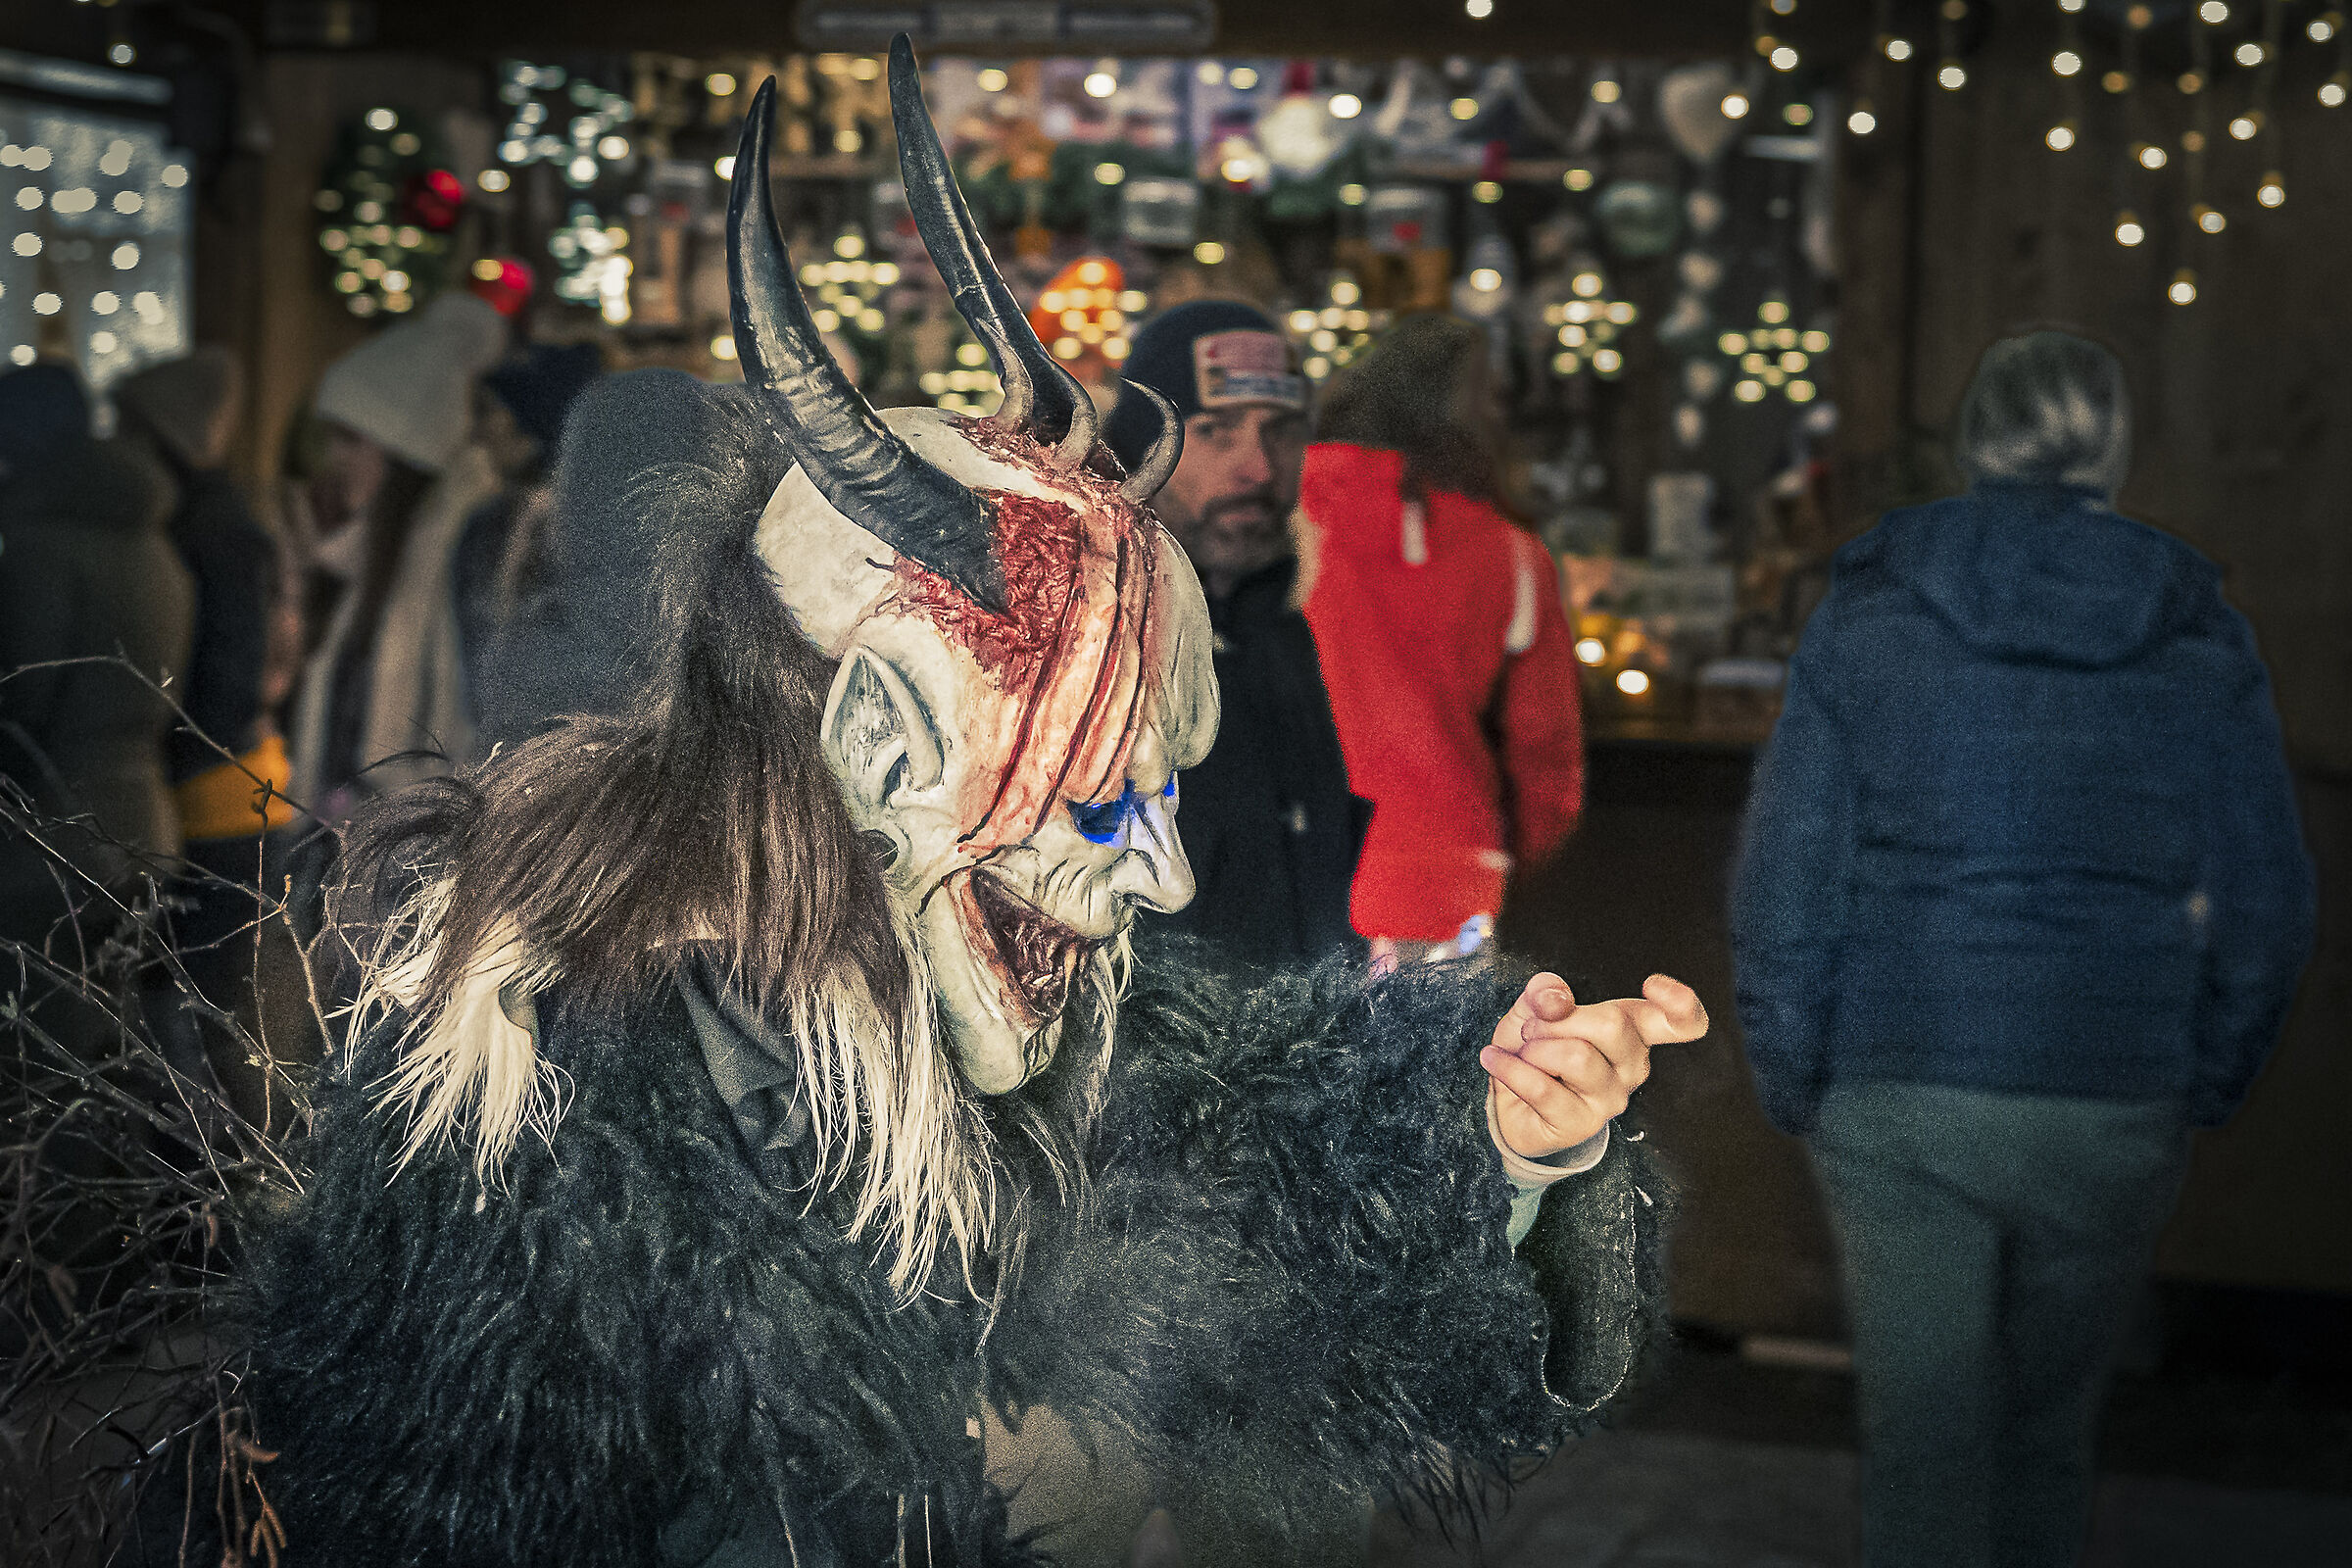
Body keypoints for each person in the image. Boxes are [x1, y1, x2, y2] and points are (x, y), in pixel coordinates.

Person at [108, 52, 1711, 1568]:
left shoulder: (1068, 1026)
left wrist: (1516, 1146)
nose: (1151, 873)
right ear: (876, 743)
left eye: (1151, 794)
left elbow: (1289, 1210)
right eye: (1095, 808)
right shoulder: (538, 1094)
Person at [1730, 330, 2316, 1568]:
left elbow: (1788, 874)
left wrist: (1792, 1068)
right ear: (2110, 442)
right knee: (2052, 1438)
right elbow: (2267, 902)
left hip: (1899, 1078)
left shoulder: (1868, 615)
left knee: (1924, 1444)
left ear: (1972, 435)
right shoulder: (2196, 633)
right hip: (2114, 1082)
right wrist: (2203, 1072)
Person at [1298, 315, 1586, 959]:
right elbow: (1546, 764)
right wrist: (1498, 854)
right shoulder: (1512, 555)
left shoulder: (1285, 520)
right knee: (1436, 1059)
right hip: (1445, 878)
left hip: (1291, 861)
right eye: (1493, 396)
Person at [1103, 301, 1364, 964]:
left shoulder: (1286, 618)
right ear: (1142, 450)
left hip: (1300, 1040)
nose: (1259, 468)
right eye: (1216, 431)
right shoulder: (1083, 641)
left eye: (1279, 431)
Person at [112, 349, 298, 1087]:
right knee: (206, 1014)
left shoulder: (206, 526)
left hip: (221, 800)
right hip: (228, 791)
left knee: (209, 1018)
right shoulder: (211, 518)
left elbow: (228, 677)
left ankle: (218, 1186)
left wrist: (162, 743)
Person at [285, 290, 510, 817]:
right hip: (349, 840)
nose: (334, 458)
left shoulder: (473, 546)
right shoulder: (365, 552)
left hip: (416, 847)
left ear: (408, 448)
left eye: (351, 440)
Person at [0, 364, 195, 941]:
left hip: (48, 843)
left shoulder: (40, 551)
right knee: (115, 1020)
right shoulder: (153, 543)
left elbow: (23, 705)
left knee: (48, 1024)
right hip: (145, 827)